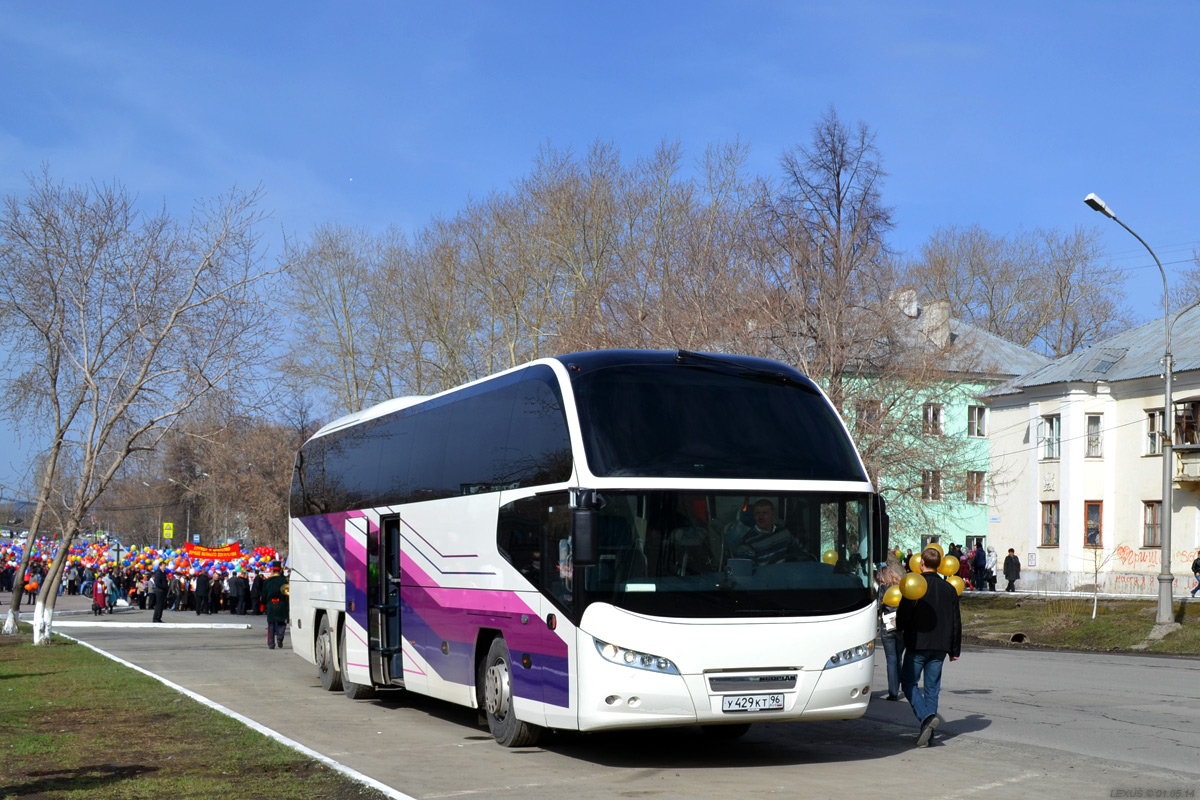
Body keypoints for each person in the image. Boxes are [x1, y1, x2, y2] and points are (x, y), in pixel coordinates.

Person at [898, 546, 962, 748]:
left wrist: (899, 628)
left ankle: (926, 718)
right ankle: (929, 736)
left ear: (921, 563)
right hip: (941, 646)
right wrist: (955, 650)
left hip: (918, 643)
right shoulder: (949, 589)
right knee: (933, 689)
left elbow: (904, 615)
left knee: (908, 682)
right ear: (940, 565)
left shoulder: (913, 585)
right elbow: (955, 621)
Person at [733, 500, 807, 565]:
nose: (761, 517)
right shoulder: (747, 542)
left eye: (765, 513)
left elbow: (801, 553)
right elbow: (746, 572)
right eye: (758, 513)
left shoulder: (783, 533)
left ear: (773, 515)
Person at [877, 565, 905, 701]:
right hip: (901, 624)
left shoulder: (883, 589)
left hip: (887, 624)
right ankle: (902, 685)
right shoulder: (901, 588)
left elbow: (877, 607)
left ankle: (893, 692)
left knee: (891, 659)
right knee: (899, 657)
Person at [263, 562, 289, 650]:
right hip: (281, 603)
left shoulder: (268, 581)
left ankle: (271, 643)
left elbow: (264, 595)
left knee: (271, 624)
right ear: (280, 570)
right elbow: (287, 593)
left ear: (273, 570)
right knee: (282, 622)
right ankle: (280, 637)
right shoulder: (284, 581)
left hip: (271, 604)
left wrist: (263, 604)